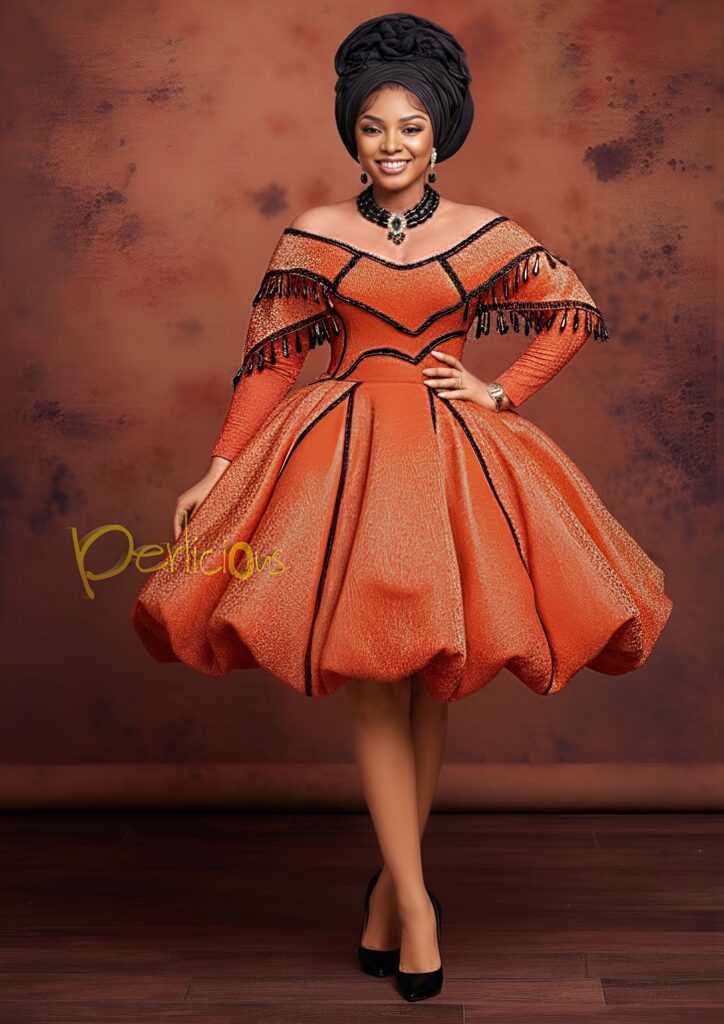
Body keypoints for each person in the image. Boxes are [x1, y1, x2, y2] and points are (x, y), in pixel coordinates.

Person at [131, 13, 673, 1003]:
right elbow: (271, 362)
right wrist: (219, 465)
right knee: (378, 676)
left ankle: (391, 891)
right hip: (340, 459)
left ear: (439, 134)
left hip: (451, 459)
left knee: (425, 678)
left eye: (410, 127)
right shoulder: (311, 234)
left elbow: (571, 310)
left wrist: (501, 391)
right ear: (352, 132)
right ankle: (416, 905)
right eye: (373, 126)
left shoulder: (485, 232)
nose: (390, 144)